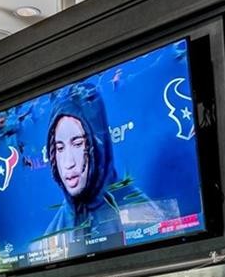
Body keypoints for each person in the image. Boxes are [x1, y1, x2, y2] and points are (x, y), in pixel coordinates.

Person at [42, 83, 149, 245]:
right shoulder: (53, 232)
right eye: (60, 148)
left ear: (98, 145)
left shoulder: (140, 211)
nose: (68, 163)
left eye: (77, 144)